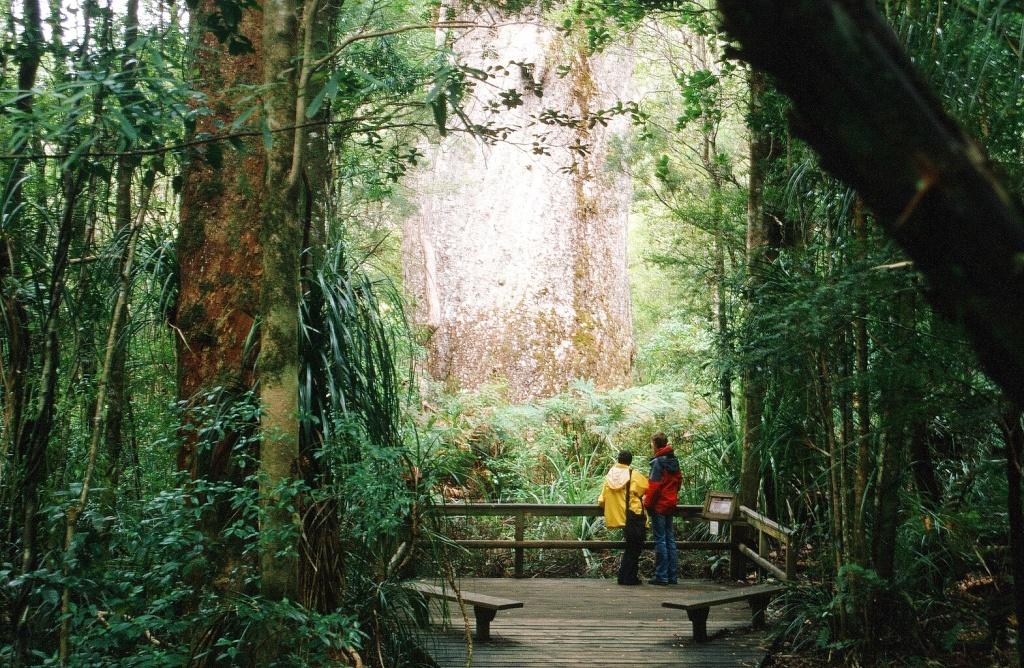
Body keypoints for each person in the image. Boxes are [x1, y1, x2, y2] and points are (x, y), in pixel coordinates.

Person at [598, 450, 648, 585]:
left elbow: (602, 501)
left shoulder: (609, 476)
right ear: (630, 461)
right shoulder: (634, 475)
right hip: (633, 516)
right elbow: (646, 488)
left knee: (631, 547)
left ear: (618, 460)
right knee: (635, 547)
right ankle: (627, 578)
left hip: (620, 518)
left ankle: (625, 576)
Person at [644, 432, 681, 585]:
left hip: (659, 505)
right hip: (670, 503)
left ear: (655, 444)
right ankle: (672, 576)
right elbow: (678, 482)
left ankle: (661, 576)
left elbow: (654, 487)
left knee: (660, 540)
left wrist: (647, 504)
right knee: (670, 539)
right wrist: (672, 496)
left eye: (652, 443)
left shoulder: (658, 462)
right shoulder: (673, 460)